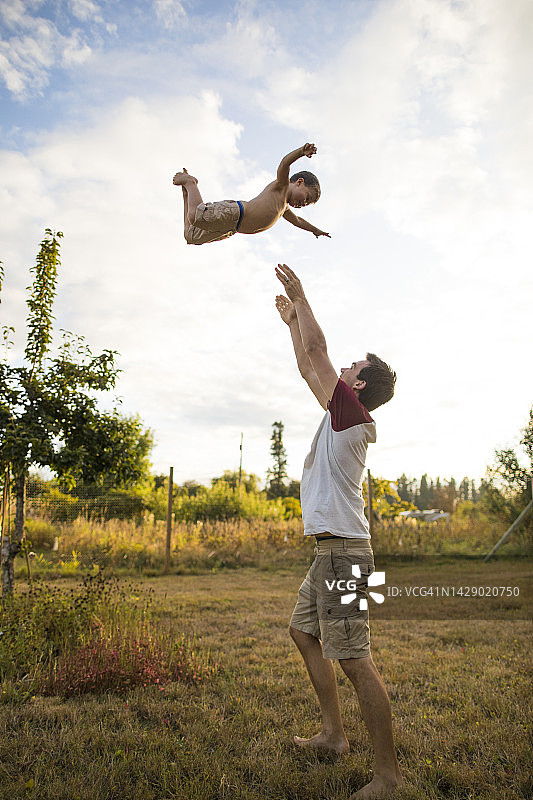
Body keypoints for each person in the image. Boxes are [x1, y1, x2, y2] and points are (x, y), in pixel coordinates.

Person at [275, 263, 402, 800]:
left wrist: (302, 298)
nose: (343, 366)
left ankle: (388, 778)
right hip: (330, 551)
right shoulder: (338, 413)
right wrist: (291, 324)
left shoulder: (352, 415)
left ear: (360, 384)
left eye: (354, 366)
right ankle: (333, 735)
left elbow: (318, 350)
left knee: (354, 657)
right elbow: (308, 365)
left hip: (346, 555)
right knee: (303, 633)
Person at [172, 143, 330, 245]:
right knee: (196, 215)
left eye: (307, 204)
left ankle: (187, 193)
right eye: (306, 197)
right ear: (299, 182)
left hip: (230, 228)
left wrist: (314, 230)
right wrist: (301, 152)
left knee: (191, 236)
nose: (303, 204)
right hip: (235, 213)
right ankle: (190, 182)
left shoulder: (284, 208)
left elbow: (298, 221)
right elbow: (284, 163)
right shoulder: (281, 185)